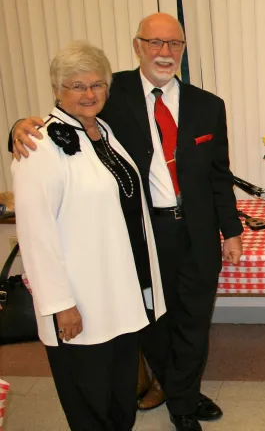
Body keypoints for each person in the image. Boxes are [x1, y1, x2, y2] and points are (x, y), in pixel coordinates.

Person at [11, 13, 243, 431]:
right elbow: (60, 120)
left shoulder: (208, 106)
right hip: (142, 237)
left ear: (183, 49)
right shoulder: (109, 96)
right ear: (137, 46)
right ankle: (176, 391)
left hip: (196, 232)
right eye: (154, 43)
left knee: (193, 322)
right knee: (153, 324)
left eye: (174, 44)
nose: (164, 52)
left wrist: (233, 231)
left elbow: (218, 175)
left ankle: (183, 398)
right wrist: (17, 127)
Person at [12, 40, 166, 430]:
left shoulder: (104, 131)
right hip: (79, 303)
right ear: (57, 89)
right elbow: (35, 234)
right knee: (90, 402)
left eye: (97, 84)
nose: (89, 94)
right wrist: (61, 303)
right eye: (77, 86)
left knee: (119, 398)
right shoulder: (41, 144)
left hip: (120, 294)